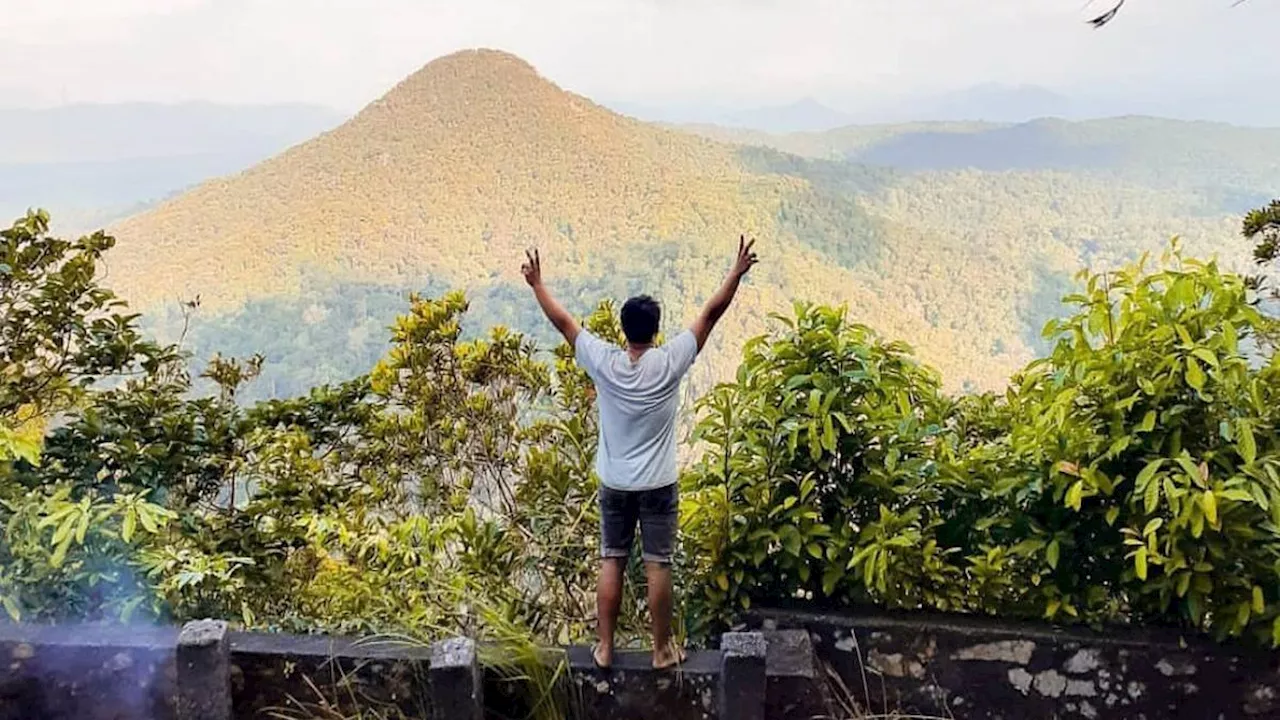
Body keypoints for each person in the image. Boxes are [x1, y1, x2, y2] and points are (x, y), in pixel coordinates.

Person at [522, 236, 759, 670]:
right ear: (655, 329)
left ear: (622, 328)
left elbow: (564, 323)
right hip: (657, 484)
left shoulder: (604, 362)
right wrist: (736, 272)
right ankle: (661, 650)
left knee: (611, 557)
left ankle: (606, 648)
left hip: (614, 482)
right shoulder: (669, 361)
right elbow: (711, 313)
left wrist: (537, 284)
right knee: (658, 564)